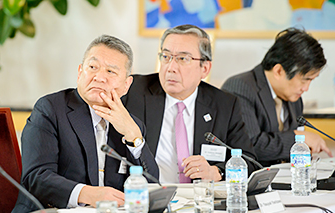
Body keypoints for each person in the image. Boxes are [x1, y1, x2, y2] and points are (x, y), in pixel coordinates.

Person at [11, 35, 159, 213]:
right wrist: (88, 194)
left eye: (111, 72)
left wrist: (134, 136)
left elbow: (152, 182)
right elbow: (36, 177)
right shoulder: (50, 109)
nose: (99, 77)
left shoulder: (132, 124)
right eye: (92, 67)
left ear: (126, 85)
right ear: (80, 72)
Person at [122, 24, 258, 184]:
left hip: (201, 200)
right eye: (166, 57)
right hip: (146, 197)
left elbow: (249, 162)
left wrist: (216, 171)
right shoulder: (133, 90)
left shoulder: (224, 104)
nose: (171, 68)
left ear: (205, 68)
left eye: (182, 59)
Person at [222, 27, 332, 167]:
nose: (306, 88)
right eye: (305, 80)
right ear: (279, 71)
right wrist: (298, 139)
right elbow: (251, 145)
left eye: (311, 81)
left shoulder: (294, 97)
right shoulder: (240, 87)